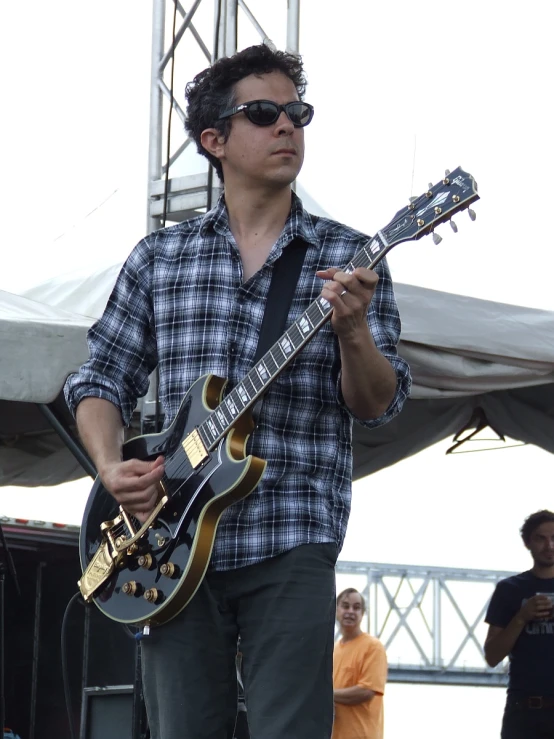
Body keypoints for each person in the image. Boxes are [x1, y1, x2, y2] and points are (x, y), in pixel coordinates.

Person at [64, 43, 411, 739]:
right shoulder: (160, 258)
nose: (288, 126)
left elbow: (377, 403)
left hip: (291, 533)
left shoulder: (346, 258)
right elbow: (99, 378)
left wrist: (352, 332)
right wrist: (108, 465)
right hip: (169, 548)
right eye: (264, 113)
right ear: (214, 140)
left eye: (297, 113)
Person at [484, 510, 554, 738]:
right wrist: (522, 617)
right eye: (540, 538)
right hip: (524, 712)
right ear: (528, 543)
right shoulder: (510, 589)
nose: (549, 545)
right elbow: (492, 656)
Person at [332, 588, 387, 739]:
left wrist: (326, 695)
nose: (350, 611)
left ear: (362, 614)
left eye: (356, 608)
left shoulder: (373, 647)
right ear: (336, 610)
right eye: (345, 605)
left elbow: (366, 691)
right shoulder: (332, 650)